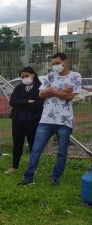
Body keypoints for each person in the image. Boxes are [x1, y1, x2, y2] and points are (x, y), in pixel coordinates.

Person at [18, 52, 82, 186]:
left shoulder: (75, 76)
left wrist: (52, 91)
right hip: (46, 119)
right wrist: (63, 91)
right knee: (36, 149)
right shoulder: (50, 76)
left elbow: (70, 97)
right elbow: (41, 94)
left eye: (57, 63)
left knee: (62, 152)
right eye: (53, 63)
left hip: (64, 121)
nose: (55, 66)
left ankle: (55, 178)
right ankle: (28, 178)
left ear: (65, 62)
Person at [5, 67, 44, 174]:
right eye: (22, 77)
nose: (24, 78)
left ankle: (33, 167)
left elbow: (38, 104)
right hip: (18, 119)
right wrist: (27, 101)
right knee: (17, 143)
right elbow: (12, 102)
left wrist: (21, 103)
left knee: (33, 144)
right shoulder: (18, 88)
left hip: (33, 120)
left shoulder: (40, 88)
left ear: (33, 75)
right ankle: (14, 167)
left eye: (26, 76)